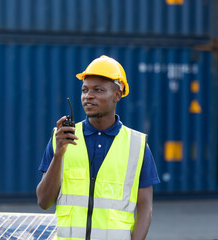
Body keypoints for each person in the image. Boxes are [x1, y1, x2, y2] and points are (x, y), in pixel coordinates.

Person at [36, 55, 160, 240]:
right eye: (84, 90)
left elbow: (145, 209)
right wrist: (59, 155)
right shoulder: (61, 139)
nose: (88, 96)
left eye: (98, 90)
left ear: (117, 95)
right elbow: (44, 202)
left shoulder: (137, 145)